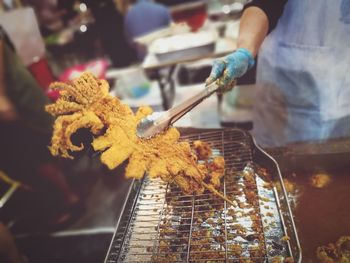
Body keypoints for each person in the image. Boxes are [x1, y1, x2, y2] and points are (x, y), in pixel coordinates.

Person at [207, 0, 350, 147]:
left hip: (345, 101)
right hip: (285, 90)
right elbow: (264, 5)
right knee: (275, 163)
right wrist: (244, 51)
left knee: (338, 164)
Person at [0, 26, 80, 225]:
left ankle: (70, 201)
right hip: (15, 98)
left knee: (34, 155)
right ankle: (63, 198)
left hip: (16, 99)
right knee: (34, 153)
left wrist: (1, 97)